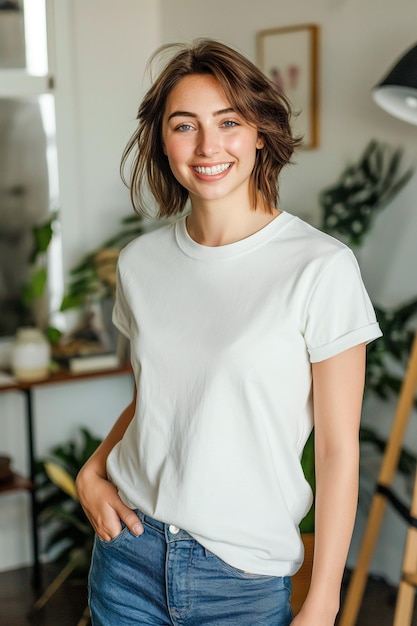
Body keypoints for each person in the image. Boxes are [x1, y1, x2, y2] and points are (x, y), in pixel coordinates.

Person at [76, 38, 382, 626]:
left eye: (229, 121)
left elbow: (340, 452)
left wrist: (323, 599)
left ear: (260, 132)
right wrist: (94, 471)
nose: (208, 146)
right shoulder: (140, 263)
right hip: (127, 554)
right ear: (162, 141)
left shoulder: (320, 267)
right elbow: (156, 398)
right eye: (184, 125)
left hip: (240, 578)